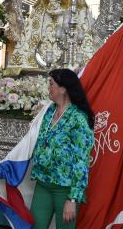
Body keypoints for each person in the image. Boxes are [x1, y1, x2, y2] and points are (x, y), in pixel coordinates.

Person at [30, 69, 94, 229]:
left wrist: (72, 199)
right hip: (43, 184)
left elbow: (81, 162)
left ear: (63, 88)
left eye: (51, 84)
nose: (48, 88)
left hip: (64, 190)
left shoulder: (78, 119)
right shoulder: (49, 111)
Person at [9, 0, 96, 69]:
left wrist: (62, 1)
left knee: (66, 34)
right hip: (51, 15)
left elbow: (74, 1)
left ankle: (67, 58)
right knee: (48, 34)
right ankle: (46, 56)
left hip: (64, 15)